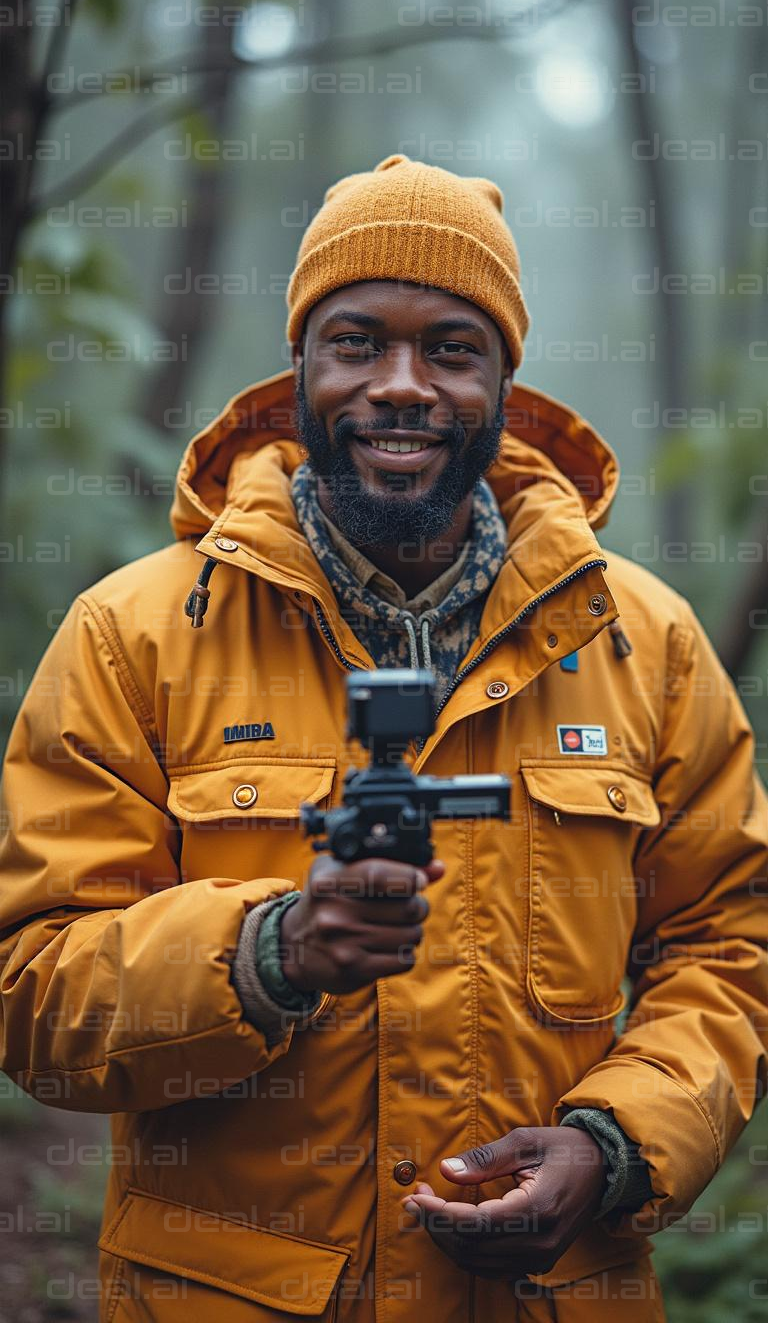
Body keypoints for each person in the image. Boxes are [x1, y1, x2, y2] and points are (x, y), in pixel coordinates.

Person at [0, 153, 766, 1323]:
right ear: (299, 367)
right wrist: (270, 955)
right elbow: (31, 995)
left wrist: (615, 1145)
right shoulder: (135, 634)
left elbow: (730, 947)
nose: (401, 385)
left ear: (506, 376)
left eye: (451, 348)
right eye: (357, 340)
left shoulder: (641, 644)